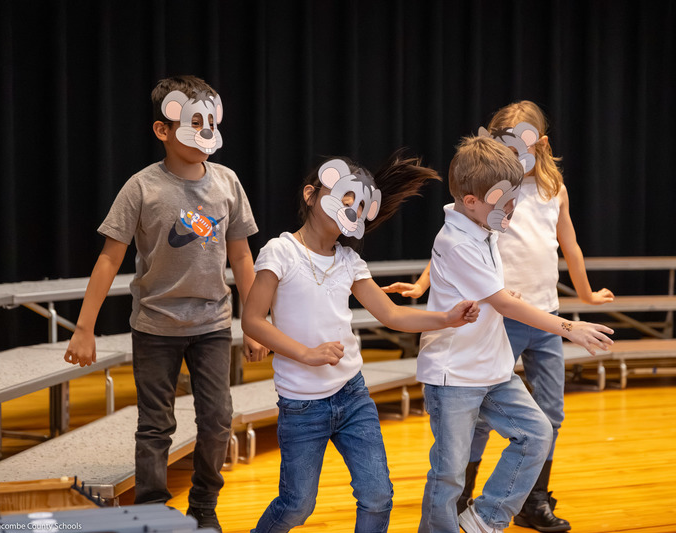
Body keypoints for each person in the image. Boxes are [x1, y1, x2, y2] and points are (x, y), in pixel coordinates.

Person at [384, 101, 614, 532]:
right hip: (470, 357)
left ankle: (501, 512)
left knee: (542, 424)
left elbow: (563, 248)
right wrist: (571, 326)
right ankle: (457, 512)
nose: (511, 209)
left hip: (514, 340)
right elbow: (487, 286)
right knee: (454, 462)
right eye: (505, 202)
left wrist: (580, 297)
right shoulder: (469, 225)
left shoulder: (496, 217)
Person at [63, 75, 268, 532]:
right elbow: (109, 259)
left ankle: (204, 507)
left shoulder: (228, 183)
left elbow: (241, 256)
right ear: (163, 129)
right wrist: (84, 328)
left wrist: (254, 324)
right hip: (155, 327)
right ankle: (152, 512)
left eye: (211, 121)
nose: (205, 131)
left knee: (217, 420)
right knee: (155, 426)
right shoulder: (141, 187)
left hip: (212, 325)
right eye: (194, 122)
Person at [241, 151, 480, 533]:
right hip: (302, 406)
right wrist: (306, 353)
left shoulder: (349, 261)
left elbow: (393, 315)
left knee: (378, 497)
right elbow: (252, 320)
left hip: (352, 396)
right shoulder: (281, 251)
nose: (352, 208)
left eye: (361, 204)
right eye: (345, 196)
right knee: (297, 506)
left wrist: (446, 318)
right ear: (310, 195)